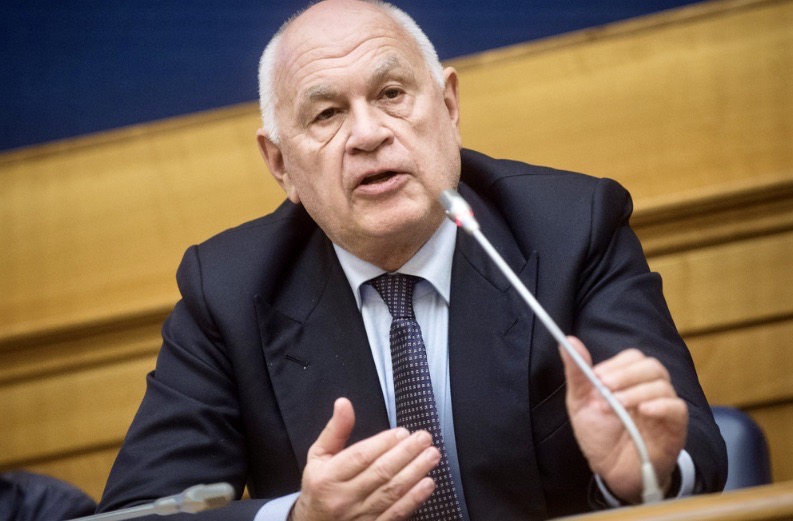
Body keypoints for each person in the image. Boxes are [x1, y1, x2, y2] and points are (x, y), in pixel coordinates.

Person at [97, 1, 727, 519]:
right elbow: (138, 514)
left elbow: (686, 447)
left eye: (392, 94)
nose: (369, 134)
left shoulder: (571, 229)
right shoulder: (227, 293)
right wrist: (296, 519)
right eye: (327, 114)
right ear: (280, 163)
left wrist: (642, 473)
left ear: (448, 107)